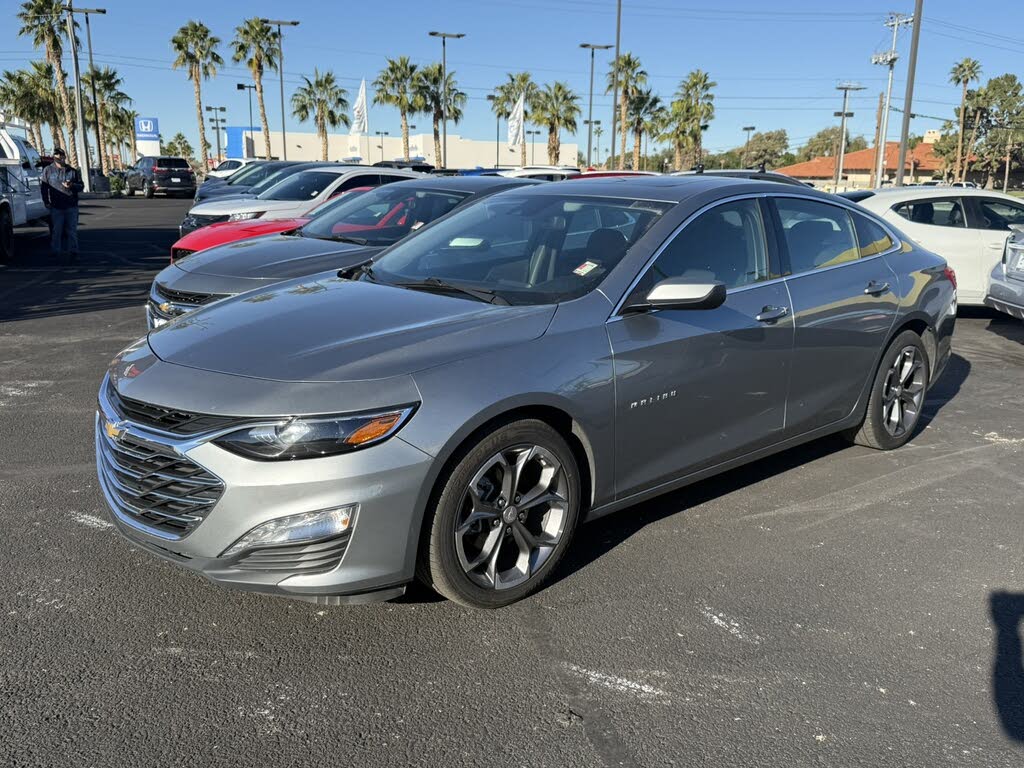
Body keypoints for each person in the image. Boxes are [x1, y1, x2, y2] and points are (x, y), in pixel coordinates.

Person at [41, 147, 84, 261]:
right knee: (56, 231)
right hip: (56, 207)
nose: (59, 157)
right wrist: (46, 201)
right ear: (54, 157)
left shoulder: (72, 171)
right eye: (57, 155)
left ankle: (74, 252)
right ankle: (55, 251)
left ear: (64, 156)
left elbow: (81, 186)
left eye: (61, 155)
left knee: (71, 231)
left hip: (71, 206)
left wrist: (72, 186)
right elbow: (44, 188)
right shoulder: (48, 170)